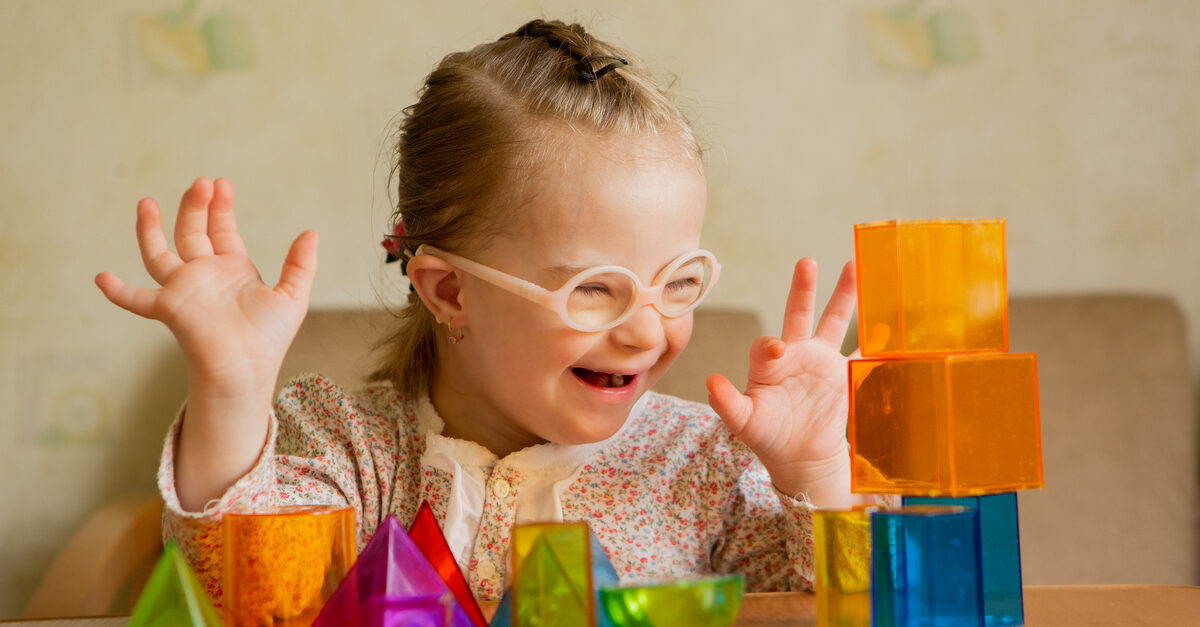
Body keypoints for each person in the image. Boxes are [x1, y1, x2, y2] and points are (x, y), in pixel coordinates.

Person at [95, 19, 860, 606]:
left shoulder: (705, 463)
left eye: (677, 280)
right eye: (595, 288)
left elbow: (834, 606)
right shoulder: (347, 454)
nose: (648, 330)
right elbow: (241, 592)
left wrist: (817, 473)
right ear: (450, 292)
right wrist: (229, 390)